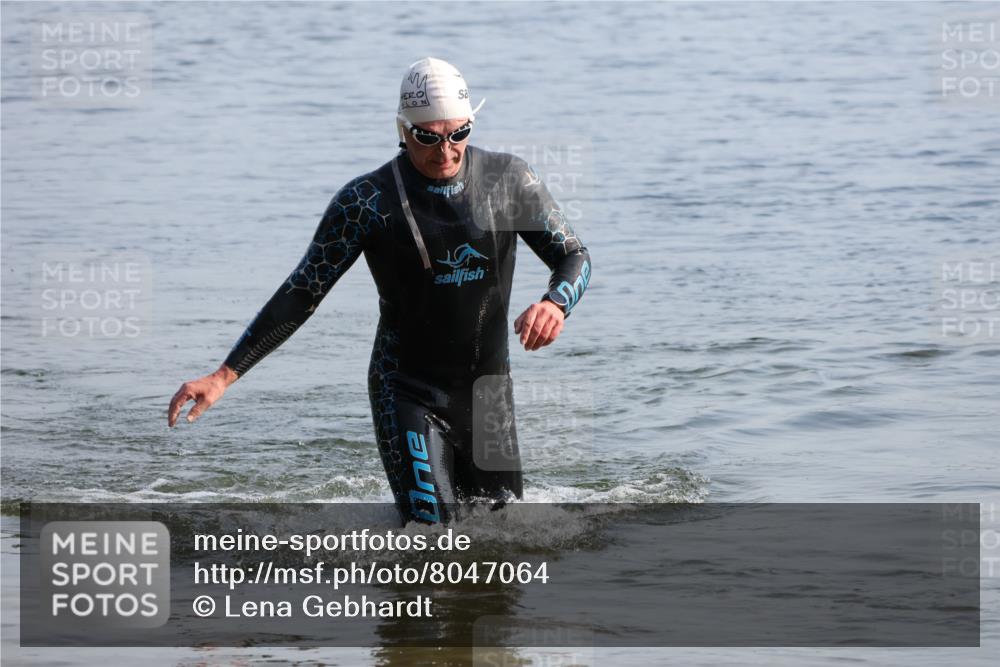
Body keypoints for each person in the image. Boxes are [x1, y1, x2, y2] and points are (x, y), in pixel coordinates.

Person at [168, 57, 591, 525]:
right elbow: (303, 291)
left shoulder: (508, 180)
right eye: (428, 137)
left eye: (458, 134)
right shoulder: (367, 202)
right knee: (432, 537)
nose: (446, 151)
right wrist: (224, 375)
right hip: (408, 392)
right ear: (402, 129)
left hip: (488, 395)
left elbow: (574, 256)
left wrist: (556, 304)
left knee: (508, 536)